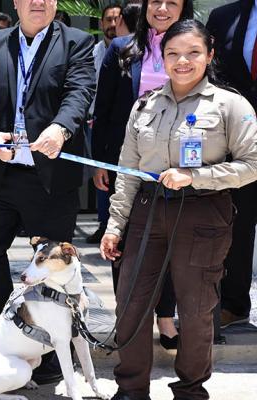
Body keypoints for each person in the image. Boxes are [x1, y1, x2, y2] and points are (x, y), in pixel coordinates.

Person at [100, 20, 257, 400]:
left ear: (210, 55)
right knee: (131, 303)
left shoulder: (230, 105)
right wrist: (114, 225)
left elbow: (252, 165)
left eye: (192, 53)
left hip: (203, 214)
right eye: (172, 53)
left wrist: (196, 177)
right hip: (147, 212)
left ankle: (190, 389)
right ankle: (131, 388)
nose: (182, 61)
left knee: (197, 307)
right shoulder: (145, 105)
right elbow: (127, 171)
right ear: (162, 57)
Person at [0, 0, 95, 385]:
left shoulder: (75, 43)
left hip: (51, 177)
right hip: (0, 174)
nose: (38, 2)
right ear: (16, 3)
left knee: (52, 270)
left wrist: (61, 128)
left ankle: (55, 345)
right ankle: (6, 322)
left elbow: (79, 91)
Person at [93, 0, 194, 350]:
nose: (162, 9)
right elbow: (102, 110)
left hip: (178, 168)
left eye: (172, 3)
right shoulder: (121, 50)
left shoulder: (192, 48)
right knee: (120, 242)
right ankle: (127, 318)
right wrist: (100, 163)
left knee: (171, 243)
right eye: (156, 2)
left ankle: (166, 318)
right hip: (126, 167)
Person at [207, 0, 257, 329]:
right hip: (238, 139)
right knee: (238, 222)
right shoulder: (222, 17)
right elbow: (213, 75)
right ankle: (234, 303)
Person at [87, 3, 122, 245]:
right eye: (107, 20)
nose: (111, 25)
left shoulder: (132, 50)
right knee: (101, 175)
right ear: (101, 24)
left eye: (116, 20)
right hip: (94, 122)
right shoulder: (93, 52)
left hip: (122, 124)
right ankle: (103, 224)